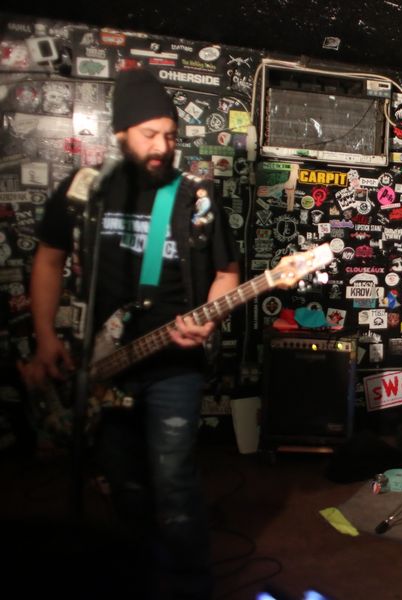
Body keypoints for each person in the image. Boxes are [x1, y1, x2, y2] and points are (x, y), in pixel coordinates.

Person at [22, 68, 240, 599]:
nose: (162, 146)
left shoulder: (195, 196)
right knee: (123, 482)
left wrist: (208, 318)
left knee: (174, 479)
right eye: (149, 134)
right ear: (120, 132)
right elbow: (48, 260)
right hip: (100, 363)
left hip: (173, 363)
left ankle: (190, 587)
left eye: (170, 134)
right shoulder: (84, 190)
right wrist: (46, 337)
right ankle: (139, 572)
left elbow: (227, 274)